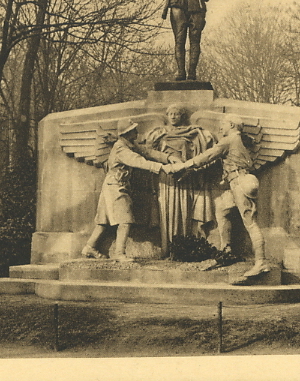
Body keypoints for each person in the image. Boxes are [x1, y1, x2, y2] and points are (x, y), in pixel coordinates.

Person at [172, 115, 269, 278]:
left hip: (240, 182)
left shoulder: (230, 139)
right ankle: (226, 251)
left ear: (231, 125)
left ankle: (261, 262)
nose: (220, 128)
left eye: (222, 124)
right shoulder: (240, 140)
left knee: (250, 223)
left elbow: (209, 155)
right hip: (235, 182)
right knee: (222, 210)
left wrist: (185, 165)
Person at [81, 118, 178, 262]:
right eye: (133, 130)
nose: (137, 132)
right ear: (127, 133)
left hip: (114, 186)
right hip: (116, 187)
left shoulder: (129, 145)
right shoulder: (121, 149)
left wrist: (168, 158)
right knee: (125, 220)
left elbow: (147, 152)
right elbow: (139, 161)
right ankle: (120, 254)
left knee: (103, 221)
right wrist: (162, 168)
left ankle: (90, 247)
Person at [144, 105, 217, 255]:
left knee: (184, 210)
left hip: (185, 177)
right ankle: (167, 248)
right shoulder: (159, 133)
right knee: (166, 212)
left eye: (176, 114)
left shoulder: (193, 132)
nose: (173, 116)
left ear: (182, 116)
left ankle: (183, 248)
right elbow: (149, 152)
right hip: (166, 177)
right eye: (170, 113)